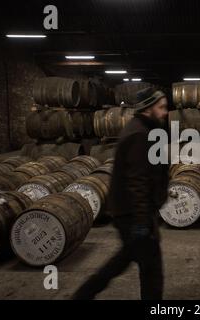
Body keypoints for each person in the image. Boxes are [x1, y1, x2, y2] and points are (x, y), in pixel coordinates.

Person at [73, 87, 169, 300]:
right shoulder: (139, 135)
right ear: (148, 108)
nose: (165, 113)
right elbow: (138, 181)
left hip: (131, 214)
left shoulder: (141, 129)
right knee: (149, 269)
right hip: (133, 216)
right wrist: (142, 222)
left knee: (126, 262)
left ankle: (82, 295)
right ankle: (81, 295)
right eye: (161, 108)